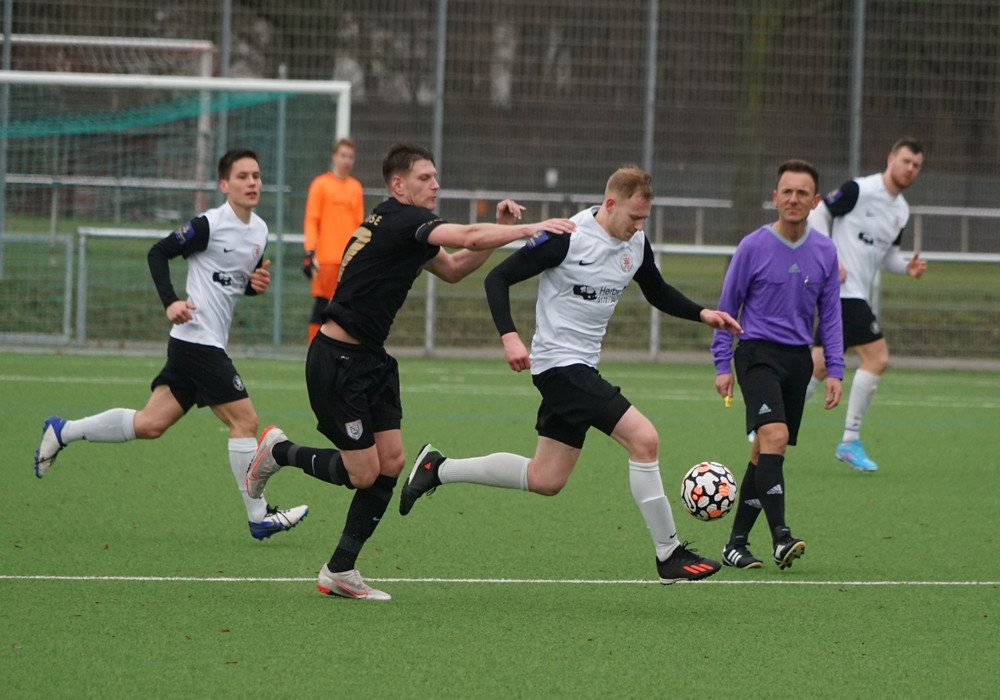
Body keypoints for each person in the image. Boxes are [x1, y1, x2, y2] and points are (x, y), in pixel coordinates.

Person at [244, 142, 576, 601]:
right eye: (425, 178)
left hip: (372, 360)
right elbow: (468, 237)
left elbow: (455, 268)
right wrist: (531, 228)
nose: (435, 184)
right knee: (363, 473)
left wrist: (501, 231)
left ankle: (340, 569)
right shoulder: (402, 220)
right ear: (399, 185)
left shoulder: (403, 228)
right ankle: (279, 452)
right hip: (337, 360)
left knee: (392, 462)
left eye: (436, 176)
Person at [397, 166, 743, 585]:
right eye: (634, 217)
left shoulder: (635, 242)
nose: (639, 226)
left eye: (644, 219)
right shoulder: (566, 237)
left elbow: (656, 290)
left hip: (580, 368)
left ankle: (438, 467)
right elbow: (497, 279)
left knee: (546, 478)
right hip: (559, 368)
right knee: (645, 439)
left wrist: (703, 314)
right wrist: (509, 337)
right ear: (610, 203)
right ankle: (669, 554)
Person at [33, 149, 309, 540]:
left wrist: (253, 286)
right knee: (245, 422)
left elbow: (229, 280)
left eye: (256, 176)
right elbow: (158, 253)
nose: (252, 183)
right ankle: (258, 515)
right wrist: (171, 303)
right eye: (242, 176)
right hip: (197, 341)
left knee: (150, 424)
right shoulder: (209, 225)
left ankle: (63, 431)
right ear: (224, 184)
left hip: (196, 344)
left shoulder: (260, 231)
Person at [710, 159, 844, 571]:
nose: (793, 199)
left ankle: (735, 545)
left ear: (815, 201)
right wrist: (722, 362)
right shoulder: (752, 246)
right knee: (776, 435)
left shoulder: (825, 251)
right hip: (756, 353)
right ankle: (781, 537)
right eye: (787, 191)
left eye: (802, 193)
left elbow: (831, 316)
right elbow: (726, 307)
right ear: (775, 197)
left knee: (764, 449)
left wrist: (835, 369)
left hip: (798, 360)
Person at [804, 137, 927, 472]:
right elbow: (819, 212)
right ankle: (849, 440)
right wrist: (829, 257)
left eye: (916, 165)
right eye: (906, 161)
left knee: (818, 365)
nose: (910, 169)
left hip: (851, 294)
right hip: (844, 292)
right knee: (877, 358)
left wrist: (906, 267)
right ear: (891, 159)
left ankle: (771, 420)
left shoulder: (901, 211)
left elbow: (889, 257)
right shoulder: (860, 190)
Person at [302, 137, 366, 344]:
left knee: (349, 308)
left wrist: (361, 254)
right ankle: (314, 350)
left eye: (350, 157)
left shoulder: (355, 188)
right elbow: (312, 219)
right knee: (322, 306)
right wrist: (309, 250)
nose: (346, 160)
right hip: (326, 259)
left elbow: (359, 224)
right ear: (334, 157)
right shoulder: (321, 185)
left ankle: (342, 349)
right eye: (343, 155)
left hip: (349, 259)